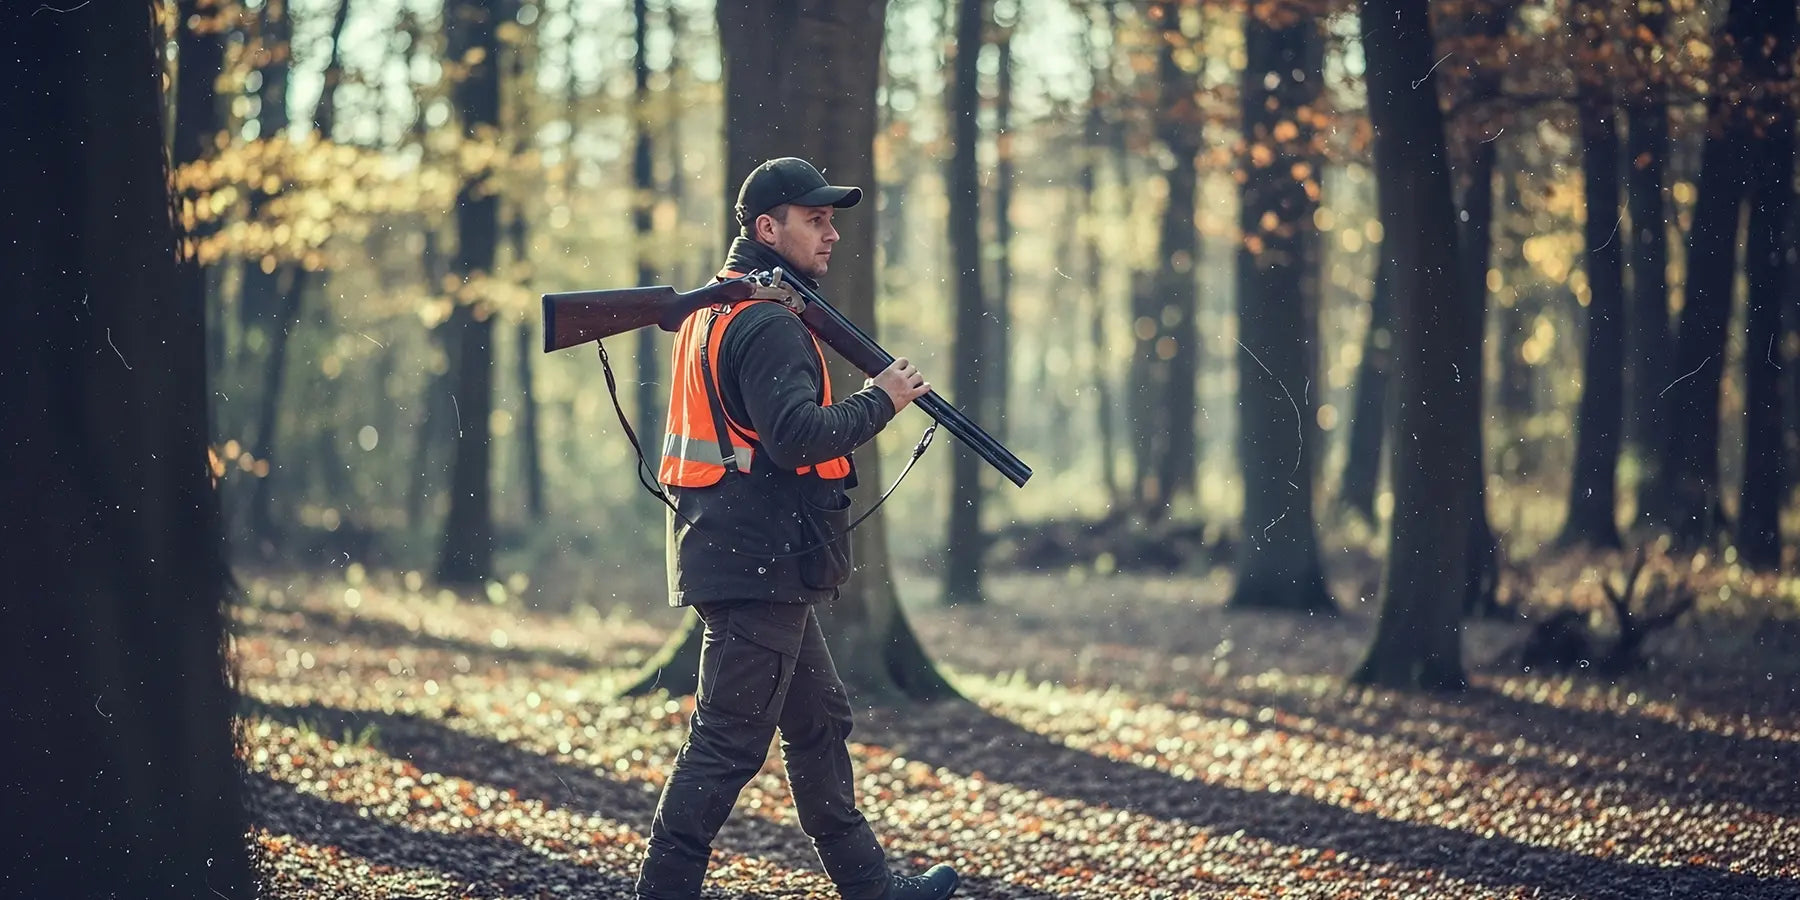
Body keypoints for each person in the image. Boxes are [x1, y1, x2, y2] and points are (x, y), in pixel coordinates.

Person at [634, 157, 960, 900]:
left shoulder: (713, 315)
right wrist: (881, 399)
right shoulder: (768, 324)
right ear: (766, 228)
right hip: (760, 562)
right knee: (724, 746)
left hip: (741, 553)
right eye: (815, 219)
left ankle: (870, 886)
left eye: (832, 218)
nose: (832, 232)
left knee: (818, 724)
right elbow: (797, 438)